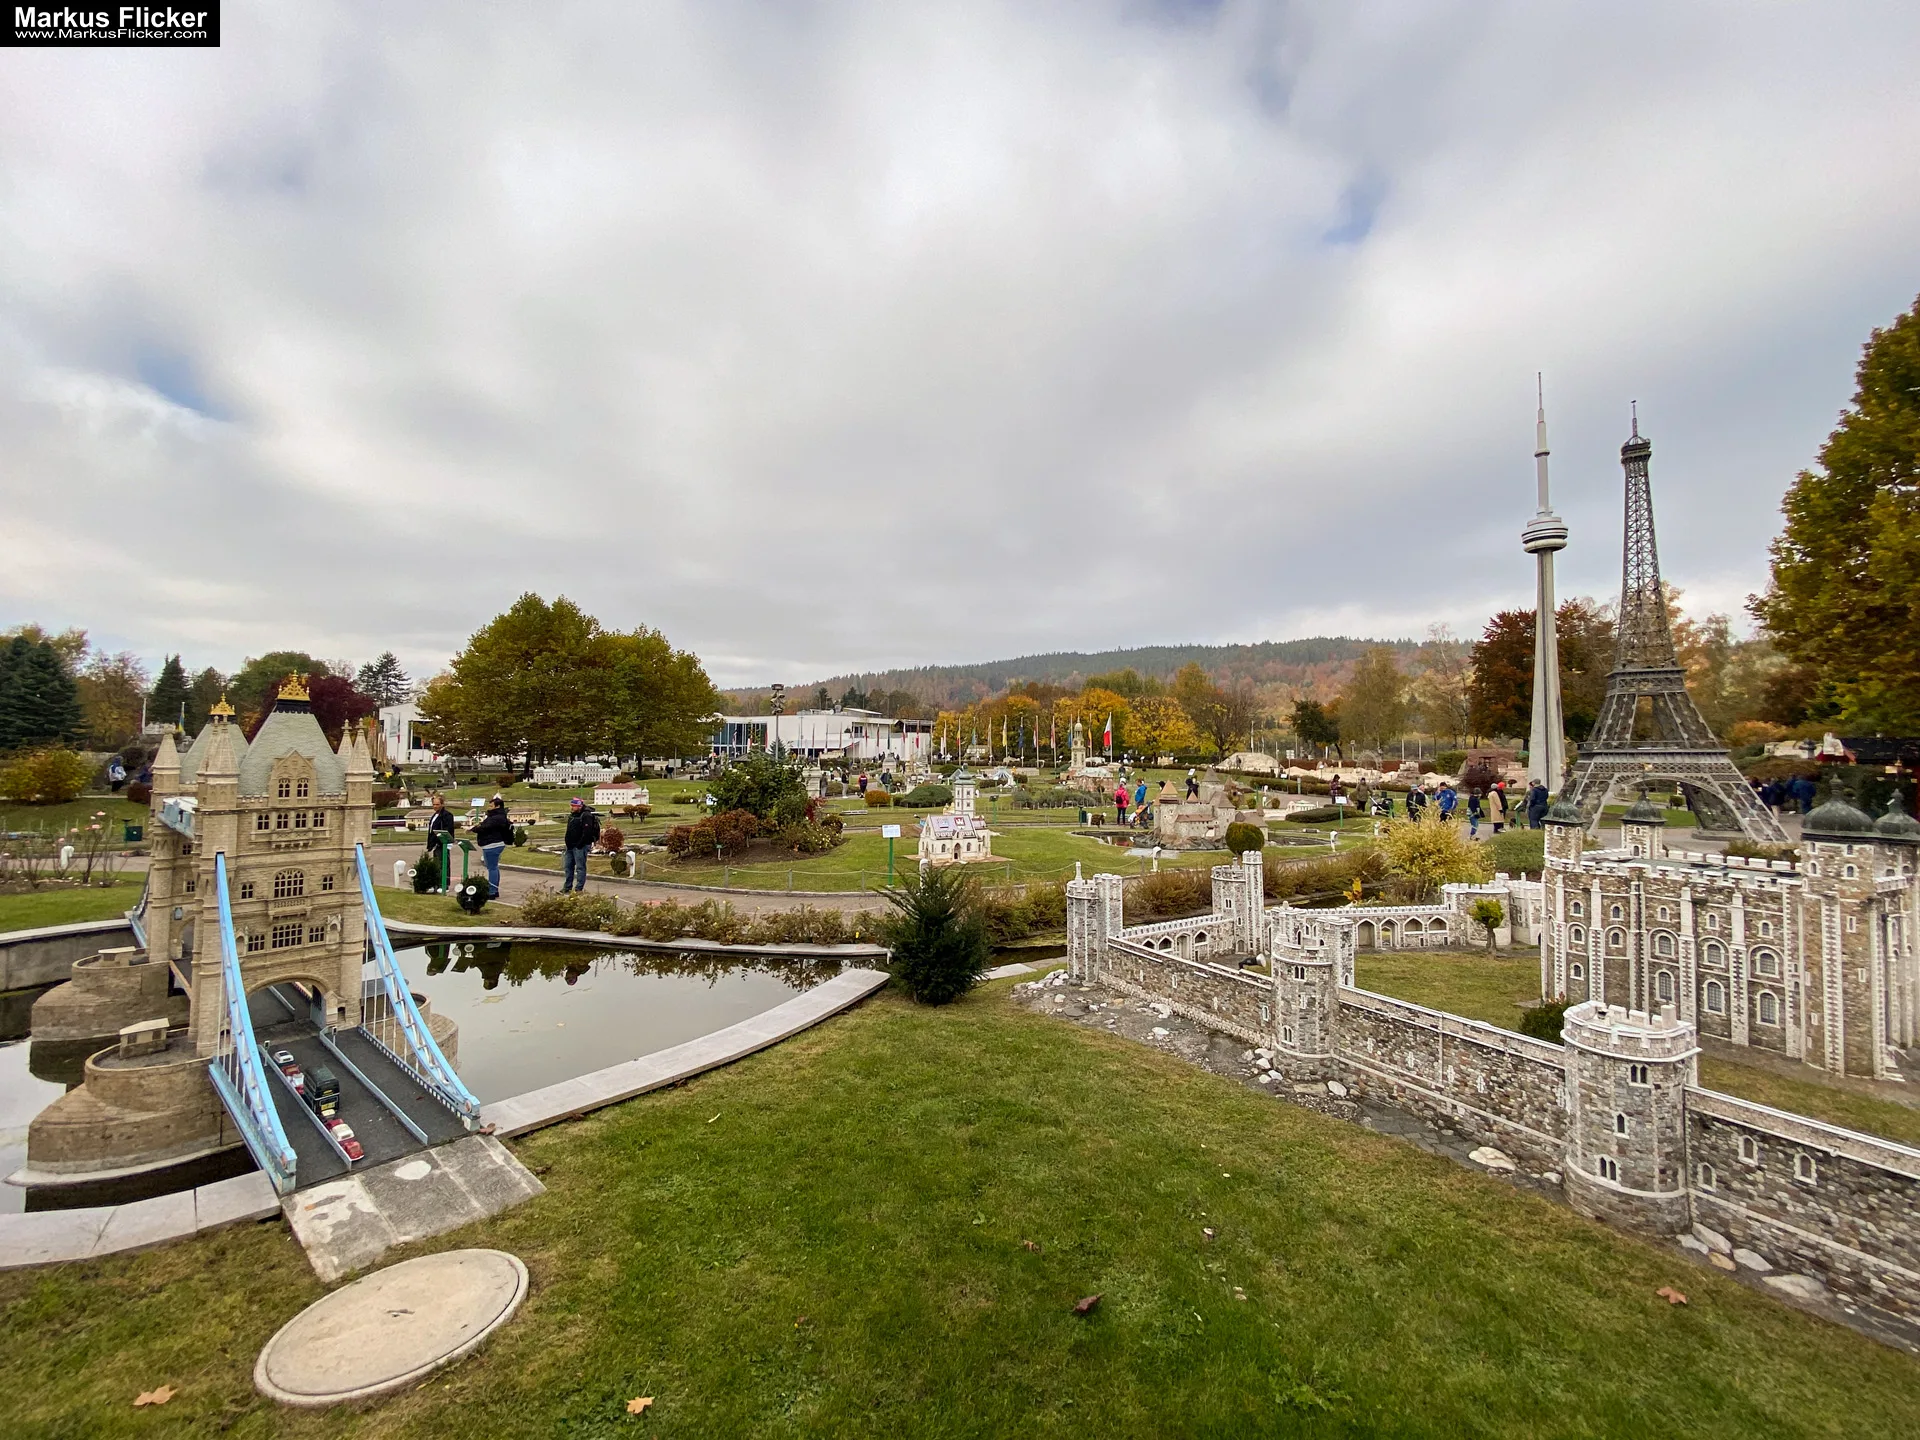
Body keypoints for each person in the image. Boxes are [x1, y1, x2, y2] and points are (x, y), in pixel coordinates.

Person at [472, 794, 513, 899]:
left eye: (491, 806)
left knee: (492, 868)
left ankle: (492, 891)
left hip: (492, 844)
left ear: (497, 806)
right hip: (492, 844)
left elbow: (485, 827)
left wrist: (472, 829)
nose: (489, 808)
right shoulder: (496, 816)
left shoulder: (496, 817)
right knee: (494, 867)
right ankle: (494, 890)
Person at [563, 796, 599, 893]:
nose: (572, 807)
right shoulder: (573, 815)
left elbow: (587, 833)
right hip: (570, 846)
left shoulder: (586, 815)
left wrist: (580, 844)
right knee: (568, 867)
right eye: (571, 805)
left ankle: (578, 889)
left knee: (580, 868)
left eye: (574, 806)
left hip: (580, 846)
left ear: (579, 806)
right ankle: (567, 887)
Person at [426, 793, 459, 881]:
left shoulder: (447, 815)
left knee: (444, 864)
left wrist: (439, 841)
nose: (435, 806)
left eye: (437, 804)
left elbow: (448, 829)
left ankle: (444, 884)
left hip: (442, 843)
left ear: (442, 804)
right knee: (437, 864)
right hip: (435, 844)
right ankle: (437, 882)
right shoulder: (434, 815)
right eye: (434, 804)